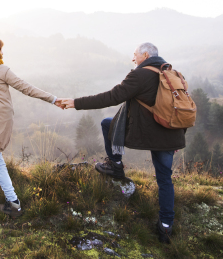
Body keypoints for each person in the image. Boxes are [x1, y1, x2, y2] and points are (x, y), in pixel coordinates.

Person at [56, 42, 185, 243]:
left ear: (144, 54)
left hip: (151, 132)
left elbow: (111, 97)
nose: (133, 59)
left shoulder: (140, 75)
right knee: (165, 179)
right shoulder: (172, 74)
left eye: (135, 55)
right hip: (171, 133)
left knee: (108, 124)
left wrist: (76, 103)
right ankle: (166, 226)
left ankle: (115, 165)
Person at [0, 36, 58, 217]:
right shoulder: (2, 70)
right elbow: (26, 88)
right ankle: (14, 203)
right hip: (1, 118)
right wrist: (53, 99)